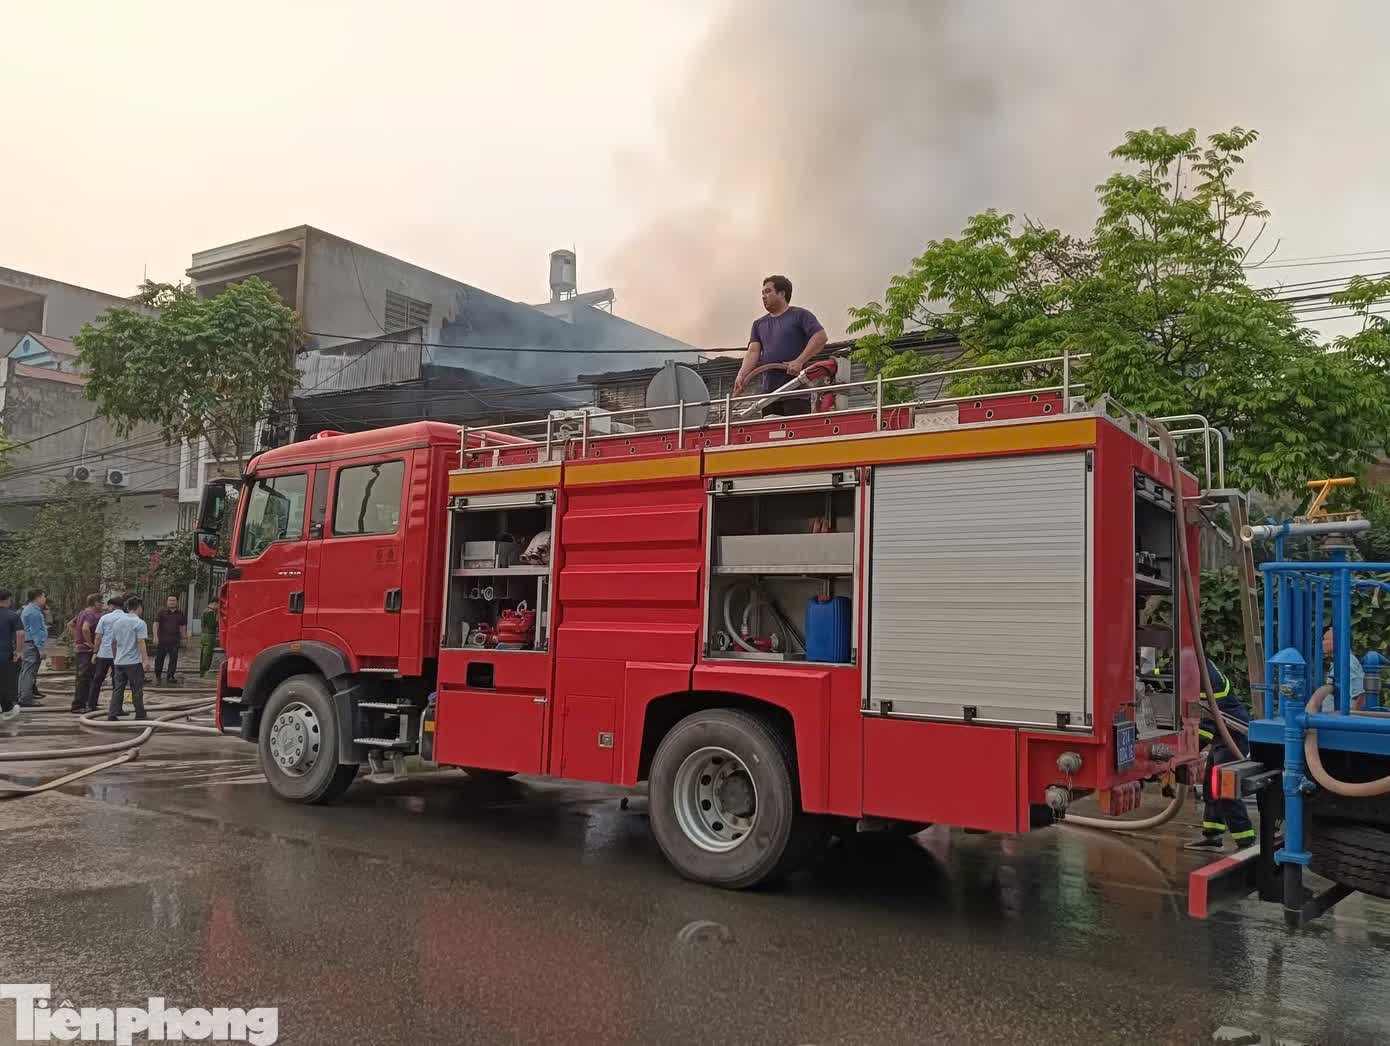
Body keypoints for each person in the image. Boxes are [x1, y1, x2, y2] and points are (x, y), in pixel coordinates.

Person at [731, 275, 828, 417]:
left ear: (782, 293)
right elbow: (753, 351)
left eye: (768, 291)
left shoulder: (800, 315)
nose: (764, 296)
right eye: (762, 293)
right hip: (769, 394)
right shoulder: (759, 324)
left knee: (794, 434)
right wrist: (741, 375)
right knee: (770, 434)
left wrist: (799, 361)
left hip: (796, 390)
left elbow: (820, 337)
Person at [1186, 658, 1254, 851]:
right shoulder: (1200, 666)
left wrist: (1188, 752)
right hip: (1223, 735)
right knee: (1210, 787)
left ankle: (1246, 840)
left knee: (1225, 789)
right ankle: (1213, 835)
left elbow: (1206, 725)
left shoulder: (1204, 676)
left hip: (1232, 735)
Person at [107, 597, 149, 721]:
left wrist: (115, 658)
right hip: (133, 662)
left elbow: (113, 643)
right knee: (136, 688)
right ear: (139, 608)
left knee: (118, 688)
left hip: (119, 661)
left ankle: (112, 713)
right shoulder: (139, 623)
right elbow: (141, 641)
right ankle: (140, 713)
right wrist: (145, 660)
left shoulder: (117, 622)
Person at [87, 595, 127, 714]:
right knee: (118, 683)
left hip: (103, 653)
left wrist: (95, 652)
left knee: (97, 680)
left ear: (112, 606)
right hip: (119, 655)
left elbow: (98, 636)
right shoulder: (127, 618)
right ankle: (117, 708)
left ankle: (91, 705)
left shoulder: (105, 618)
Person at [68, 593, 104, 714]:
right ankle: (78, 705)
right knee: (84, 678)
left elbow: (71, 624)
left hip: (80, 649)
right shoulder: (90, 615)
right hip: (86, 651)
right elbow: (85, 628)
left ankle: (87, 703)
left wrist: (77, 639)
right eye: (101, 602)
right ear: (95, 603)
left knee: (85, 677)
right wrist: (90, 643)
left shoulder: (82, 613)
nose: (103, 604)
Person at [1321, 627, 1366, 711]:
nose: (1322, 643)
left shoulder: (1347, 662)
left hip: (1340, 719)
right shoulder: (1340, 661)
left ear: (1337, 642)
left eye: (1325, 639)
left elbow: (1359, 694)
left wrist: (1349, 721)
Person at [17, 589, 48, 707]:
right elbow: (35, 632)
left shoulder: (31, 610)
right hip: (32, 644)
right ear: (37, 597)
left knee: (26, 671)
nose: (45, 599)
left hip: (30, 644)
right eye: (44, 596)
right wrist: (41, 649)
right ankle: (25, 698)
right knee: (29, 672)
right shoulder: (33, 612)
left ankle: (22, 695)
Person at [0, 590, 24, 732]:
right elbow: (20, 634)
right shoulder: (12, 615)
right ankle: (8, 708)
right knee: (5, 683)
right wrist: (19, 652)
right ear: (8, 599)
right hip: (4, 654)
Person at [153, 594, 188, 685]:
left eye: (174, 600)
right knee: (159, 659)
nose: (172, 602)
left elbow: (182, 625)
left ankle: (170, 676)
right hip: (162, 640)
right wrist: (155, 637)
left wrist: (184, 637)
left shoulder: (180, 613)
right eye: (170, 600)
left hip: (175, 641)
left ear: (176, 602)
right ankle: (157, 675)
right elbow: (156, 624)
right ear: (167, 602)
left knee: (173, 659)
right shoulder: (161, 612)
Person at [199, 599, 220, 677]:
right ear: (214, 603)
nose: (218, 606)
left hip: (204, 635)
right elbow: (212, 624)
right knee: (207, 655)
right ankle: (205, 671)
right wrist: (219, 622)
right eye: (218, 604)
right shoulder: (210, 612)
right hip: (209, 635)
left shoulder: (205, 610)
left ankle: (202, 672)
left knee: (203, 654)